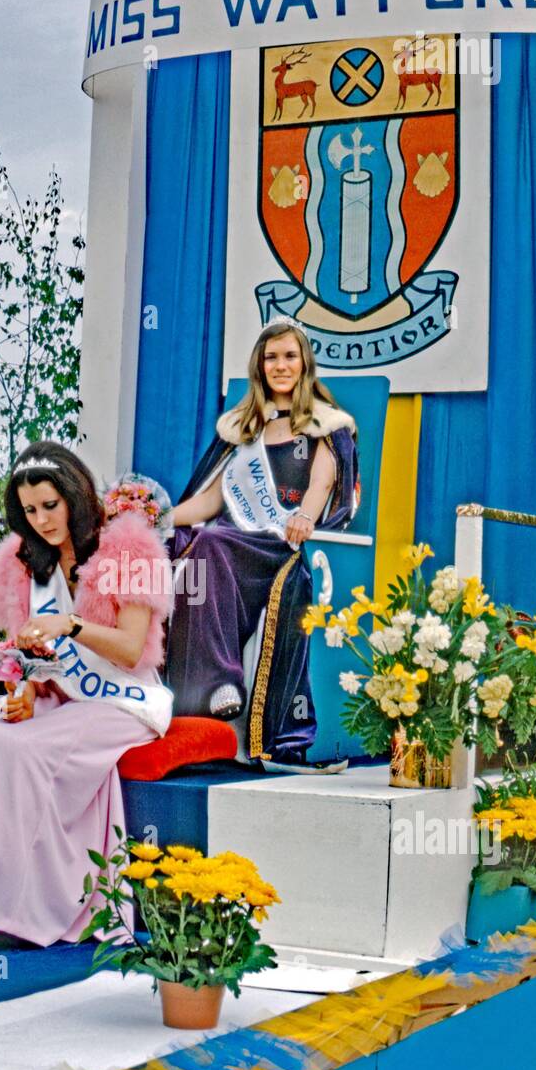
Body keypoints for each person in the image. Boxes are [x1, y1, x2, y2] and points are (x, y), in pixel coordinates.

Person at [0, 441, 173, 957]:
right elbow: (30, 652)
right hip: (64, 694)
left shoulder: (129, 548)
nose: (41, 520)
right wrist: (26, 693)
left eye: (50, 506)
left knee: (24, 750)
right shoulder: (22, 562)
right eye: (29, 511)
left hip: (123, 701)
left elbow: (128, 651)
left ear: (75, 496)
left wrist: (72, 624)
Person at [166, 318, 359, 772]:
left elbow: (321, 484)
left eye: (290, 356)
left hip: (279, 547)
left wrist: (305, 517)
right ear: (259, 365)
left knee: (210, 545)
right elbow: (211, 501)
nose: (281, 365)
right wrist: (152, 516)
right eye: (271, 357)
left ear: (305, 363)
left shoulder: (326, 425)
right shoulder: (241, 431)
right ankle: (206, 700)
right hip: (230, 546)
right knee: (196, 548)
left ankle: (220, 684)